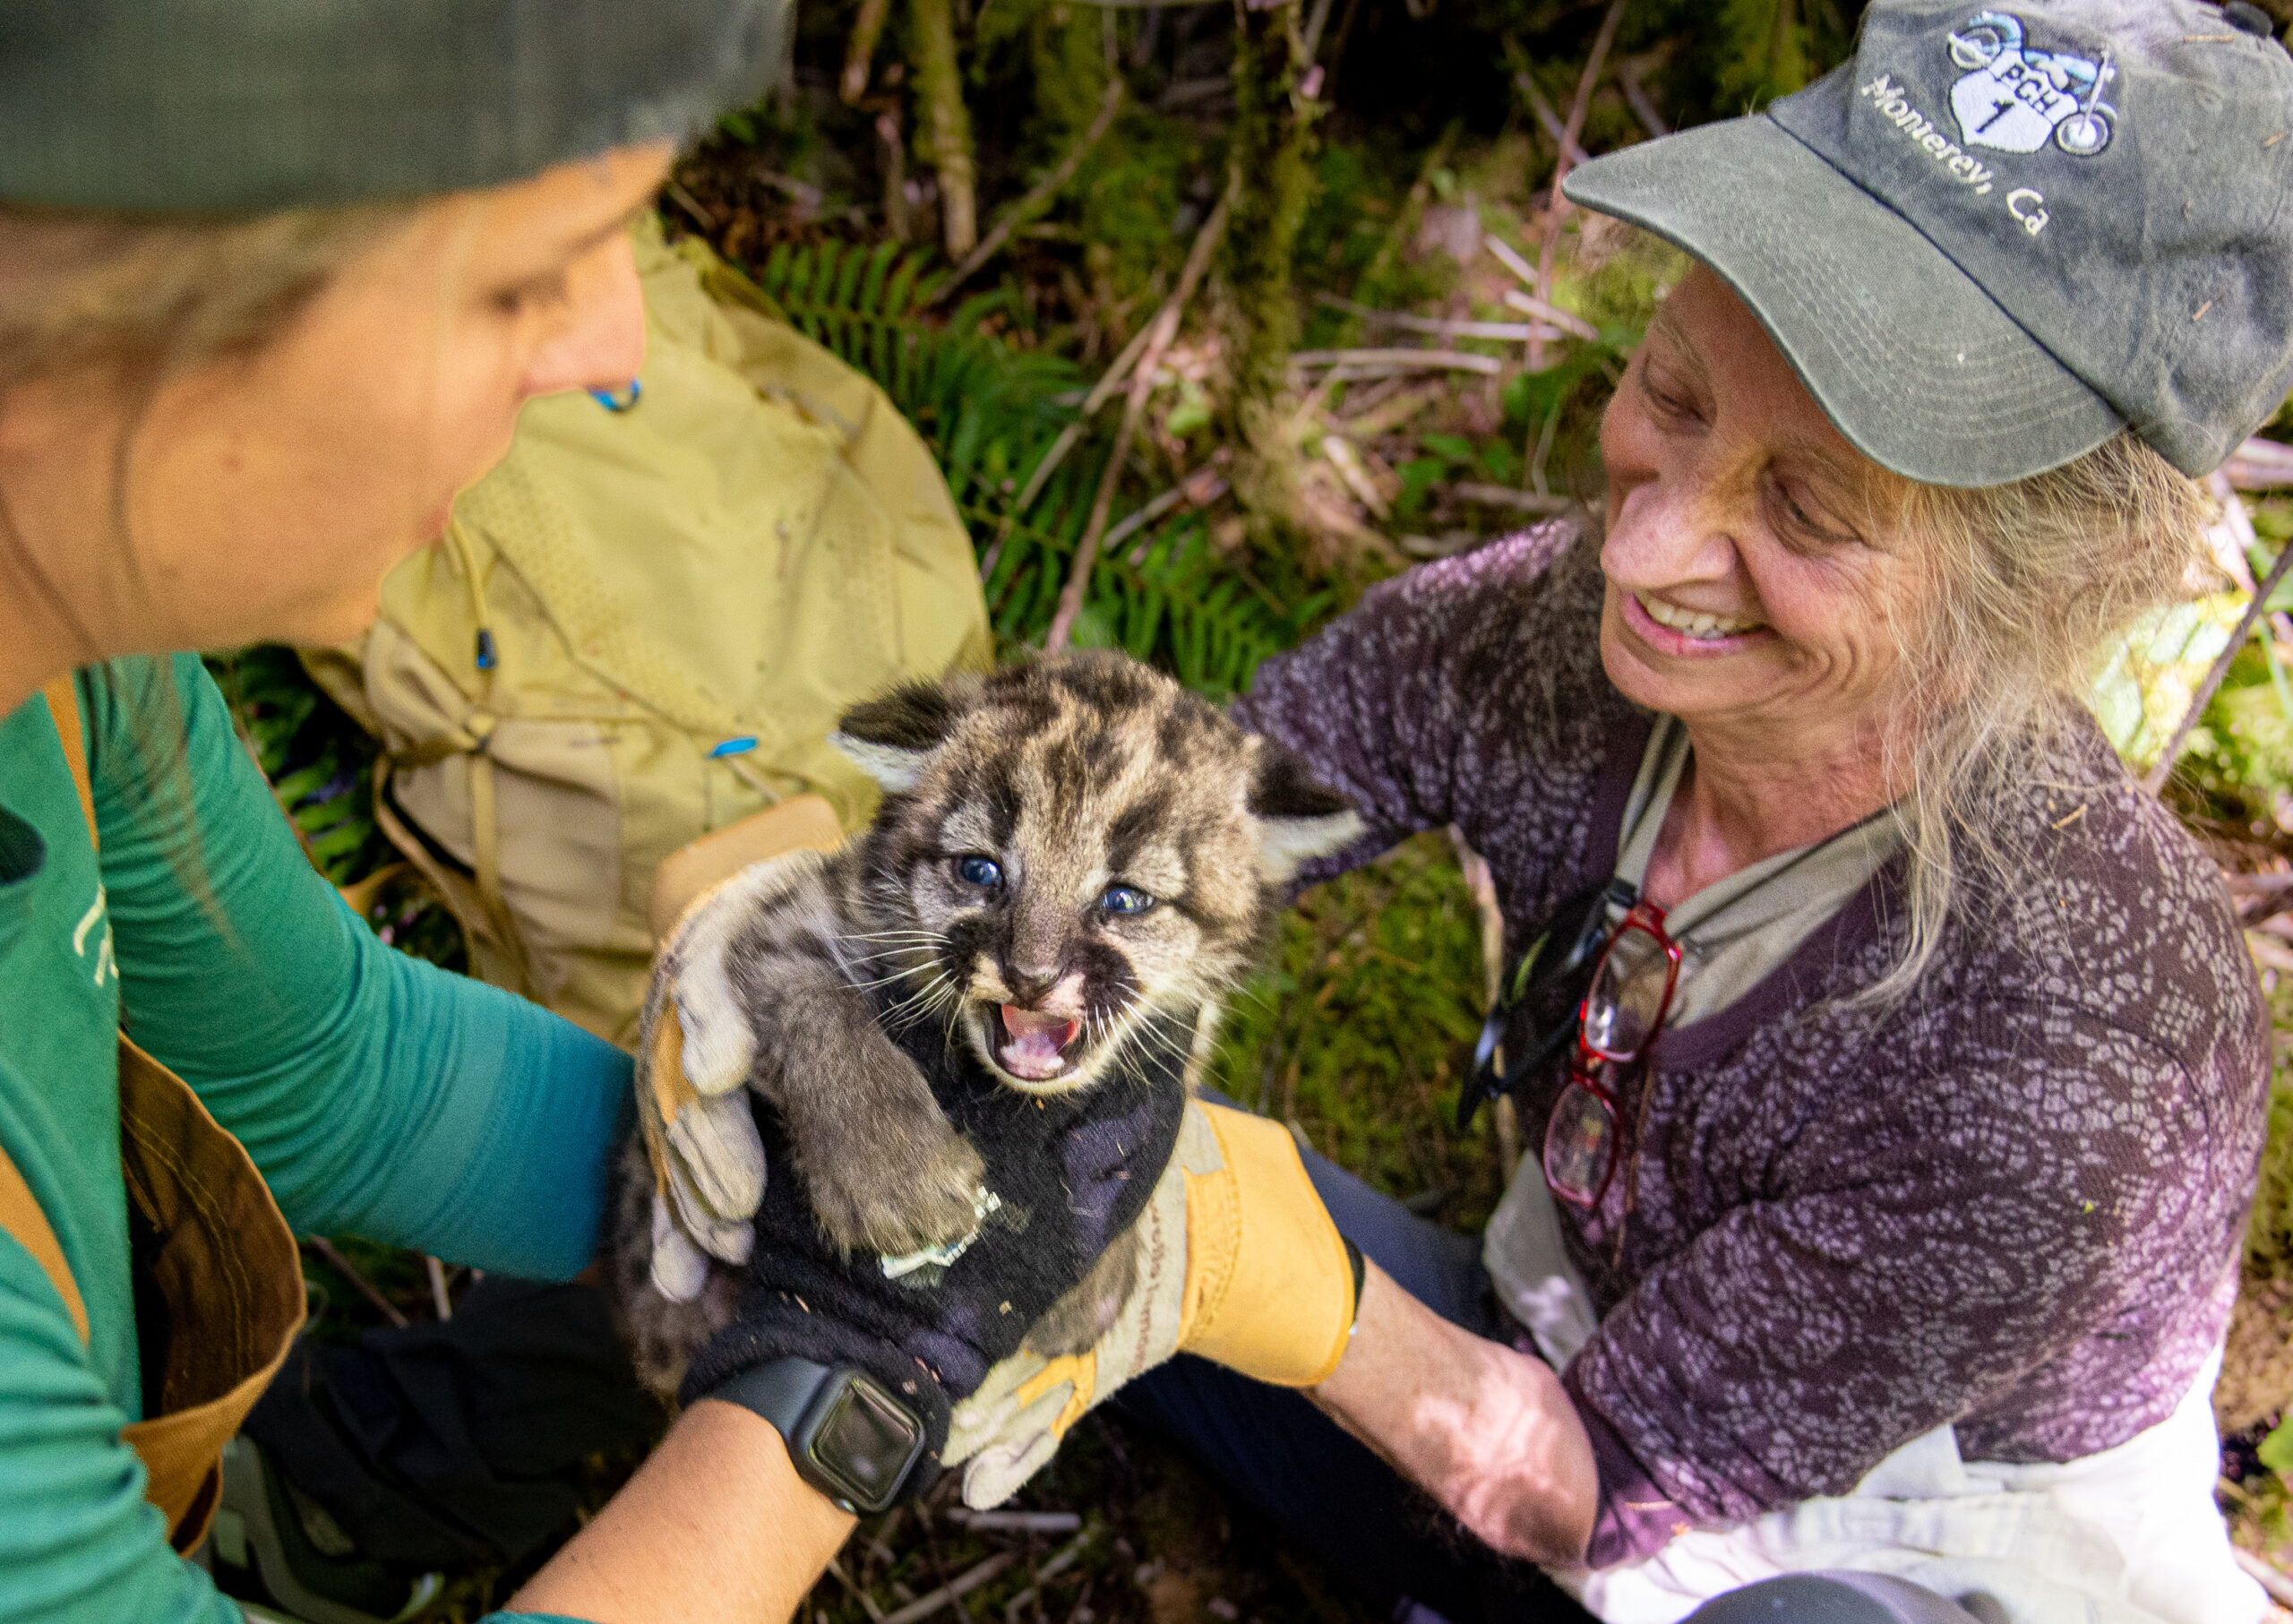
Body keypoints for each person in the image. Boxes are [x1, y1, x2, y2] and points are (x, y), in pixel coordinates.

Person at [927, 3, 2292, 1620]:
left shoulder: (2074, 1045)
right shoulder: (1566, 639)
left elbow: (1610, 1481)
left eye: (1807, 508)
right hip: (1552, 1353)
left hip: (1864, 1550)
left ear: (2026, 602)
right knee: (987, 1132)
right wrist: (895, 925)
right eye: (1674, 388)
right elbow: (1229, 803)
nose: (1641, 554)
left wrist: (1254, 1263)